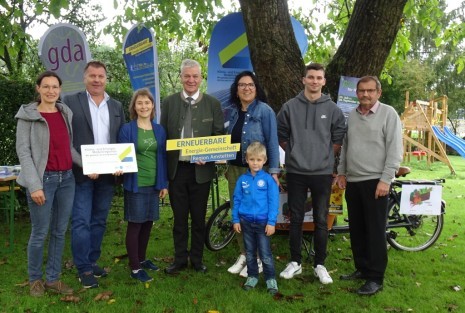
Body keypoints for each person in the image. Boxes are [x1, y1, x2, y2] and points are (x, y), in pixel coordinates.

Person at [276, 63, 346, 284]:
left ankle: (320, 264)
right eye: (311, 77)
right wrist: (295, 153)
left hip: (322, 173)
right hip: (296, 171)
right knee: (295, 218)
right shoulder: (289, 107)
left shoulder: (332, 109)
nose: (314, 81)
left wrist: (324, 156)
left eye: (319, 78)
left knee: (321, 220)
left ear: (324, 81)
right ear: (303, 79)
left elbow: (338, 138)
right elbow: (281, 134)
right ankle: (295, 262)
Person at [335, 76, 403, 295]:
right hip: (353, 182)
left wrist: (386, 179)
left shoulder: (388, 114)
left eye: (370, 91)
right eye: (361, 91)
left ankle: (375, 277)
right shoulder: (352, 116)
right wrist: (342, 172)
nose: (365, 94)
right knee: (358, 229)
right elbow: (346, 146)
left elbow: (395, 150)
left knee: (374, 231)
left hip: (376, 182)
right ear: (357, 93)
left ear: (378, 93)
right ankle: (362, 268)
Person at [15, 71, 81, 297]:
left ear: (60, 90)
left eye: (55, 87)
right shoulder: (27, 116)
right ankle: (35, 279)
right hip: (43, 181)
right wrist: (34, 185)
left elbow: (69, 149)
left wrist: (89, 166)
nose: (51, 91)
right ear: (38, 89)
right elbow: (23, 153)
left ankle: (53, 279)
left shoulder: (65, 113)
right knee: (40, 232)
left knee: (60, 231)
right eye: (46, 86)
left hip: (67, 180)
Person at [63, 61, 126, 288]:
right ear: (84, 78)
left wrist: (122, 163)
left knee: (99, 220)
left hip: (109, 174)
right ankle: (83, 268)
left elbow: (122, 139)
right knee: (81, 220)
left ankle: (91, 260)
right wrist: (85, 165)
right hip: (81, 173)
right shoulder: (70, 101)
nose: (97, 80)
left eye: (101, 76)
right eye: (92, 76)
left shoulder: (116, 105)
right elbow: (65, 140)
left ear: (106, 79)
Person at [160, 59, 224, 274]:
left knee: (198, 218)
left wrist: (209, 155)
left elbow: (219, 137)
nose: (191, 80)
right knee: (179, 219)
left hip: (201, 171)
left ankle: (197, 259)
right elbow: (163, 136)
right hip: (177, 170)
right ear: (181, 77)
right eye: (187, 76)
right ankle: (179, 259)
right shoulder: (168, 102)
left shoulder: (213, 104)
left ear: (201, 79)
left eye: (195, 76)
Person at [225, 71, 280, 278]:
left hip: (258, 172)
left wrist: (273, 171)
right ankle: (244, 254)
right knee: (238, 210)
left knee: (257, 214)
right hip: (236, 170)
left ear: (256, 88)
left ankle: (256, 257)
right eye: (242, 85)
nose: (246, 88)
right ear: (236, 89)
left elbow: (272, 143)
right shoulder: (232, 112)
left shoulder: (265, 111)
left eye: (250, 85)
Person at [118, 88, 168, 283]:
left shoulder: (159, 130)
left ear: (152, 105)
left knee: (148, 222)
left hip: (154, 184)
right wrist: (119, 167)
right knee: (136, 224)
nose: (143, 106)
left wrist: (163, 184)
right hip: (136, 184)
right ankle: (135, 267)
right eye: (139, 103)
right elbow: (120, 156)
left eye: (147, 103)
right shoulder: (127, 129)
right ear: (134, 107)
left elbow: (162, 158)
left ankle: (142, 258)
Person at [232, 142, 279, 295]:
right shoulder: (242, 180)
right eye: (252, 159)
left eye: (259, 160)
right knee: (250, 252)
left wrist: (271, 222)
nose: (255, 163)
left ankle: (270, 279)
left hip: (263, 223)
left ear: (264, 160)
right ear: (246, 160)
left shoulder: (268, 180)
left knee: (265, 254)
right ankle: (252, 276)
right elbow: (236, 200)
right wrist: (236, 219)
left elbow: (273, 202)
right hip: (245, 222)